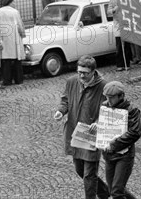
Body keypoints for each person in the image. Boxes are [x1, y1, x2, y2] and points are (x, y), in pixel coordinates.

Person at [54, 55, 110, 199]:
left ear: (93, 71)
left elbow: (108, 110)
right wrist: (61, 111)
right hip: (75, 133)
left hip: (92, 136)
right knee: (80, 170)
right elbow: (65, 100)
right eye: (79, 72)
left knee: (89, 175)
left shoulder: (104, 86)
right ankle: (104, 192)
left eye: (85, 73)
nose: (81, 76)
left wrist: (98, 122)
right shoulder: (72, 81)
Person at [96, 81, 141, 199]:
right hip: (109, 155)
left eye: (111, 98)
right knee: (113, 189)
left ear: (121, 96)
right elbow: (102, 124)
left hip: (124, 156)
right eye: (107, 97)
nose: (108, 101)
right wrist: (97, 125)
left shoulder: (131, 110)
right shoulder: (105, 106)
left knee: (117, 192)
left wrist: (114, 144)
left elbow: (135, 133)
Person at [0, 0, 25, 85]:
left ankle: (6, 80)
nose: (15, 3)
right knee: (17, 59)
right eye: (14, 1)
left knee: (6, 60)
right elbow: (20, 25)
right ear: (10, 2)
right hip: (14, 38)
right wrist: (22, 34)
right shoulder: (15, 12)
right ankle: (18, 79)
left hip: (3, 37)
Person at [108, 0, 132, 71]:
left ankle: (127, 64)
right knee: (119, 45)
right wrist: (114, 9)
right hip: (117, 24)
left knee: (126, 46)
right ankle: (120, 64)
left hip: (125, 23)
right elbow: (108, 12)